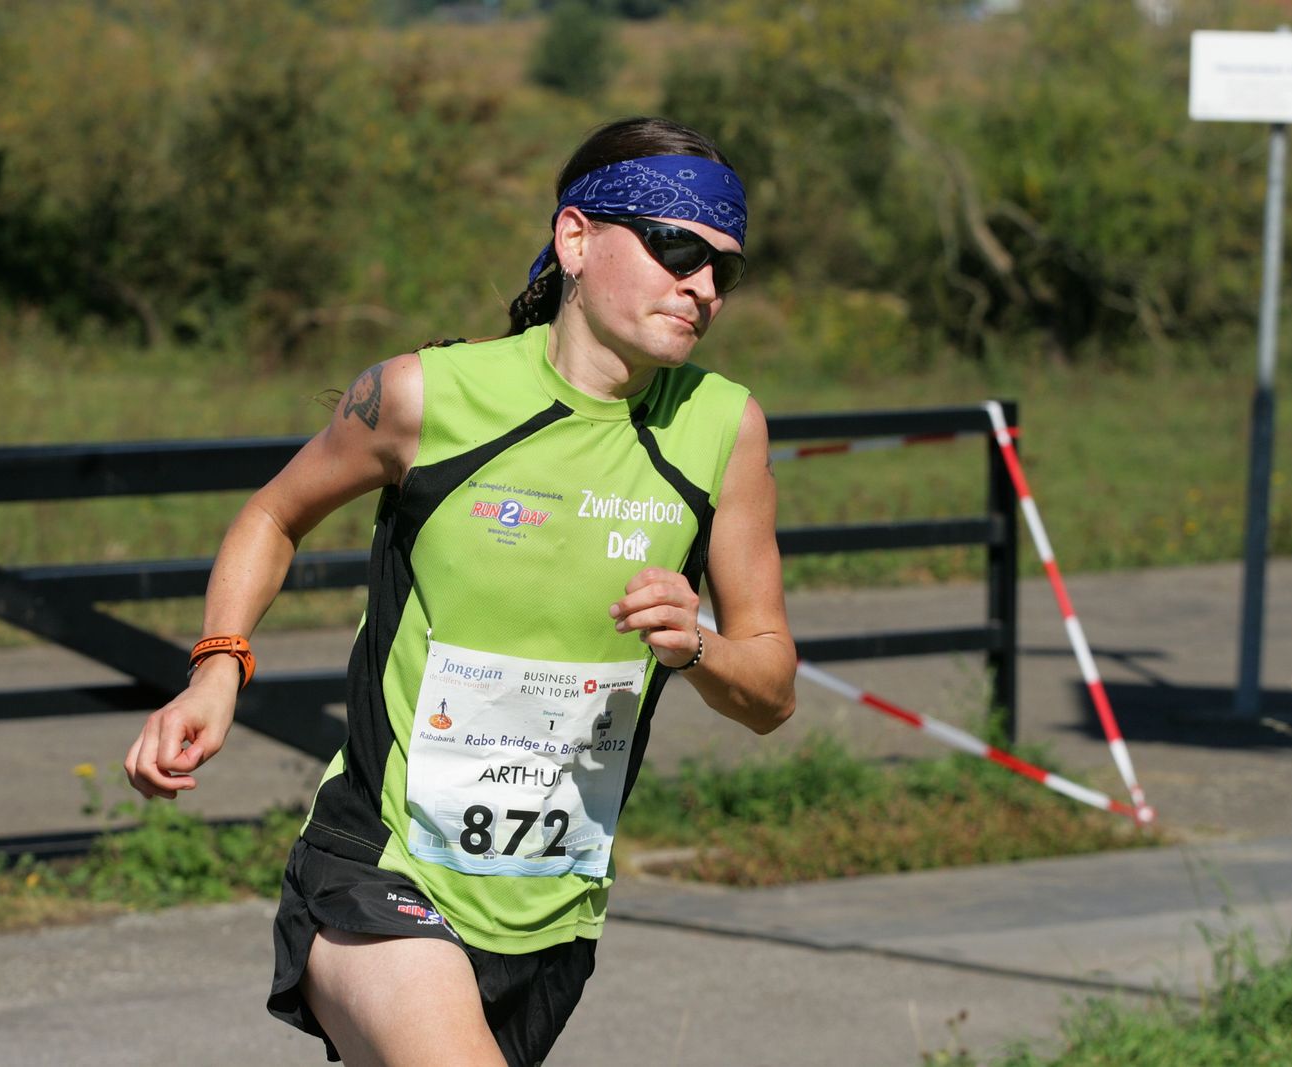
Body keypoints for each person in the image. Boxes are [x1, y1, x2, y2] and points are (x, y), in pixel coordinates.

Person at [124, 116, 797, 1066]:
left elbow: (771, 689)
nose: (702, 287)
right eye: (677, 247)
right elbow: (271, 516)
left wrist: (701, 646)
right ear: (575, 238)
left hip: (552, 907)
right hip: (377, 867)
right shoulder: (423, 397)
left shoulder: (723, 428)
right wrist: (218, 666)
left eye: (725, 270)